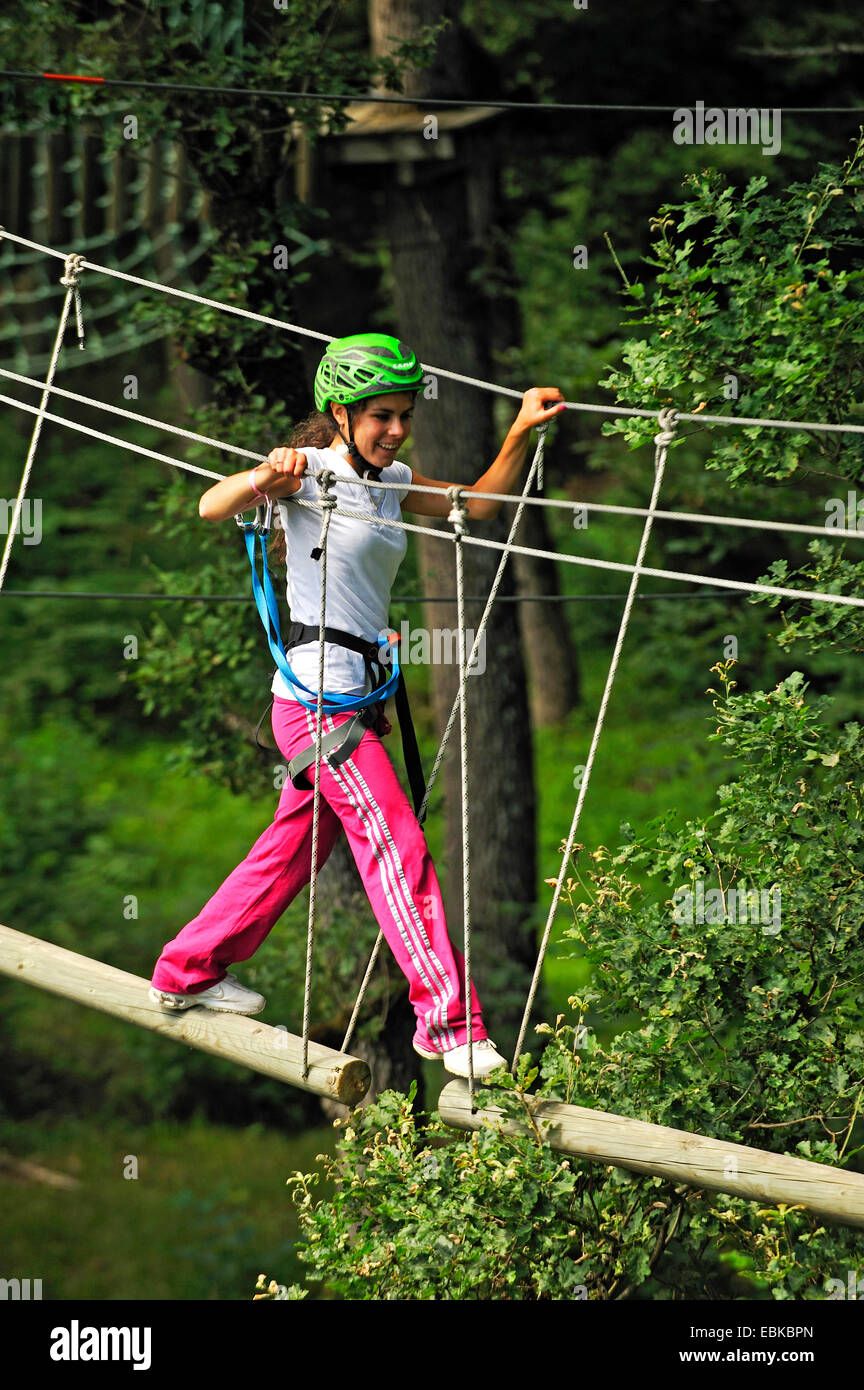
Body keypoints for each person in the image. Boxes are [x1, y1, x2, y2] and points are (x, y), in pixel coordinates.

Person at [149, 333, 565, 1079]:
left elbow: (477, 504)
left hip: (353, 700)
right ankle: (448, 1020)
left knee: (293, 850)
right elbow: (212, 506)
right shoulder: (312, 472)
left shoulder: (392, 478)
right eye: (380, 416)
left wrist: (518, 431)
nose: (396, 429)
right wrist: (266, 476)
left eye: (404, 414)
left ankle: (187, 970)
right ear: (339, 413)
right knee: (396, 844)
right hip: (316, 705)